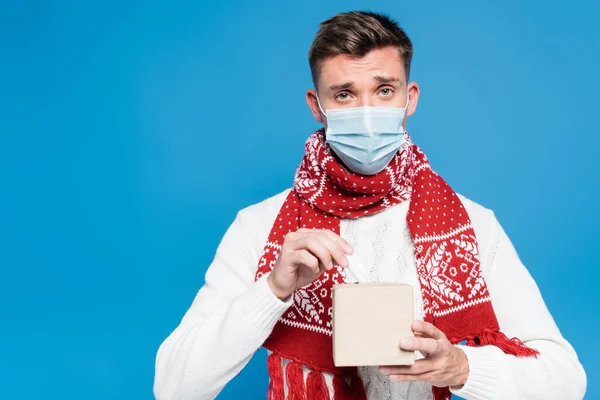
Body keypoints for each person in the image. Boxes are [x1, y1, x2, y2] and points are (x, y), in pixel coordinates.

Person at [153, 11, 586, 400]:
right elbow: (173, 388)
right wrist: (273, 290)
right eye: (343, 94)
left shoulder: (472, 225)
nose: (365, 112)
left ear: (409, 98)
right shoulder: (260, 227)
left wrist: (462, 367)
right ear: (317, 106)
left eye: (383, 90)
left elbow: (567, 381)